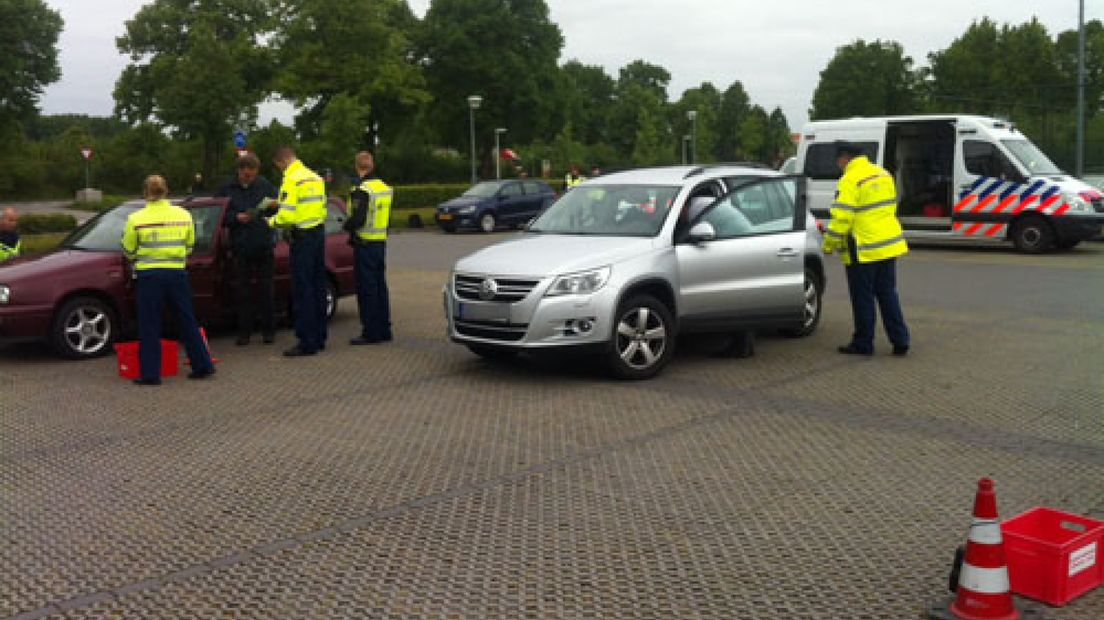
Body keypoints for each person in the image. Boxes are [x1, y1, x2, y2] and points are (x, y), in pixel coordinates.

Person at [121, 175, 215, 385]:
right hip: (176, 274)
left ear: (145, 192)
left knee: (149, 324)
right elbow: (190, 245)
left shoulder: (136, 219)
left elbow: (128, 251)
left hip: (149, 276)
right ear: (167, 190)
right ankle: (203, 365)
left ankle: (151, 374)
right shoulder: (183, 215)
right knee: (187, 320)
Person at [822, 141, 910, 357]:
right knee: (888, 294)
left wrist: (828, 244)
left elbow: (842, 217)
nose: (838, 165)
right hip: (888, 245)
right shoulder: (883, 174)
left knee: (863, 297)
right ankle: (900, 340)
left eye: (838, 161)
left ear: (845, 158)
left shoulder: (850, 180)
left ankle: (863, 343)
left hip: (863, 248)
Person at [268, 146, 328, 357]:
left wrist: (270, 221)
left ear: (281, 162)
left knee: (303, 290)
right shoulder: (315, 177)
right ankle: (320, 337)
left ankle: (306, 341)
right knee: (318, 286)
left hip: (301, 238)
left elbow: (287, 216)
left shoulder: (291, 180)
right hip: (318, 234)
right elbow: (321, 207)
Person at [215, 153, 279, 346]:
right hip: (240, 247)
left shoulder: (265, 185)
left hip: (263, 244)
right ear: (239, 171)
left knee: (266, 290)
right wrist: (235, 218)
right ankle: (244, 333)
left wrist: (275, 206)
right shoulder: (226, 188)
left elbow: (278, 208)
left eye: (252, 174)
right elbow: (217, 216)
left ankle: (269, 332)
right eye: (245, 174)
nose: (248, 177)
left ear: (257, 172)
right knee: (243, 292)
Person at [343, 151, 394, 345]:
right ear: (372, 166)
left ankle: (370, 332)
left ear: (357, 167)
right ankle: (385, 329)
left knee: (367, 289)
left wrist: (345, 225)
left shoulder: (362, 190)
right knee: (380, 286)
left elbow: (358, 219)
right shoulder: (385, 188)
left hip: (364, 244)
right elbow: (387, 218)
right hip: (380, 242)